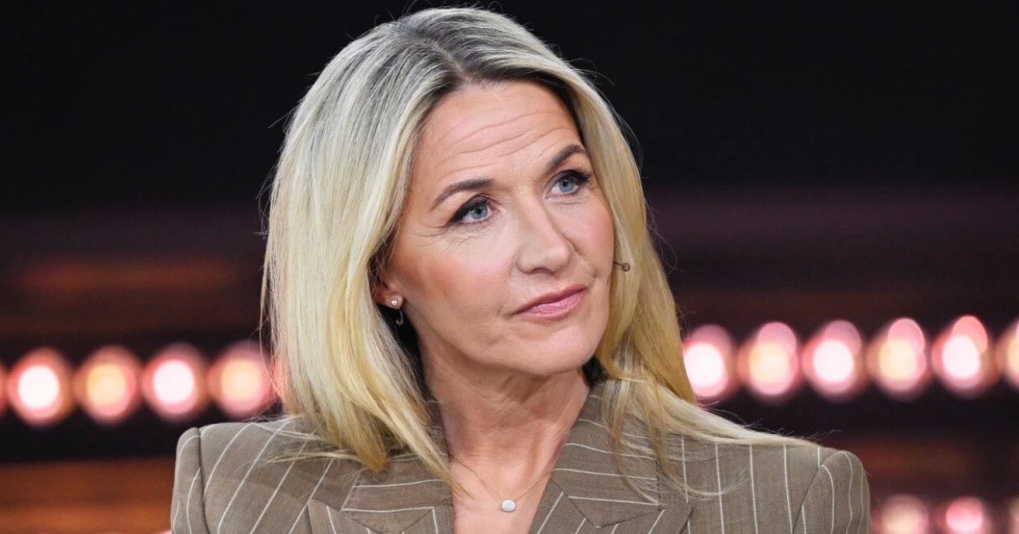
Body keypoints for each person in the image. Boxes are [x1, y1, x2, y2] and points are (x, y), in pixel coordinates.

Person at [171, 7, 869, 534]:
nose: (552, 249)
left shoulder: (781, 500)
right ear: (381, 271)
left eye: (568, 182)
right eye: (475, 211)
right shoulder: (241, 493)